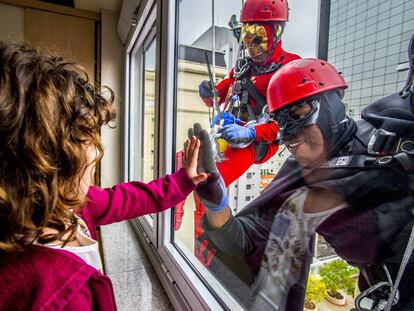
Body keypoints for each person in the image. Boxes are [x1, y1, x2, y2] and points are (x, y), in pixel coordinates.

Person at [192, 58, 414, 310]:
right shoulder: (299, 174)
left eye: (298, 113)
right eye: (280, 121)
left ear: (331, 105)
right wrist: (214, 199)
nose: (289, 132)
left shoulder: (392, 139)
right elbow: (240, 243)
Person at [0, 42, 207, 310]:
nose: (98, 153)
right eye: (87, 138)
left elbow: (127, 198)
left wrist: (182, 181)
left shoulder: (68, 206)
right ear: (45, 158)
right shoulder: (58, 295)